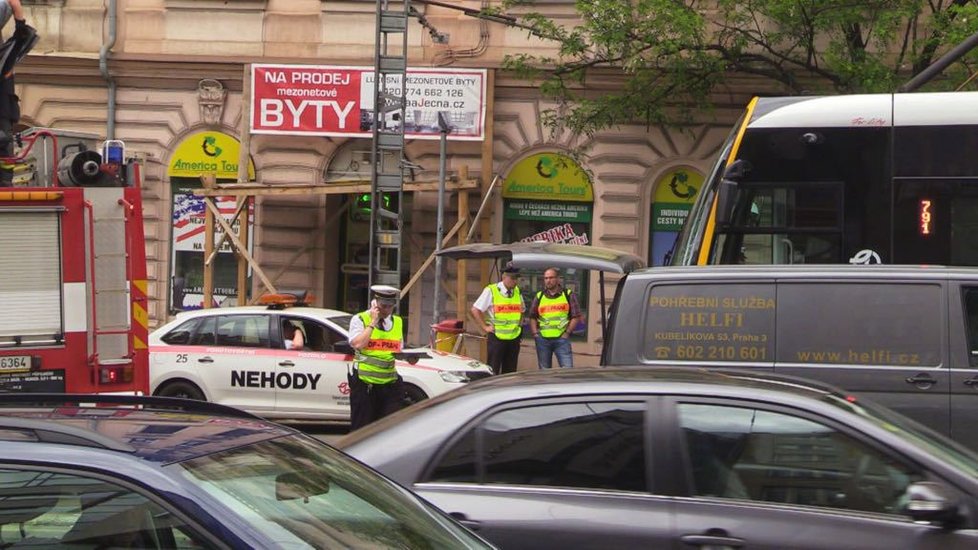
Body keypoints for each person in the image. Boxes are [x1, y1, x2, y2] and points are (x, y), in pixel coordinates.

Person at [347, 285, 406, 430]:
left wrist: (408, 358)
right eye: (383, 306)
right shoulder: (360, 319)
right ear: (375, 304)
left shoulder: (397, 322)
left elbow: (397, 349)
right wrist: (373, 322)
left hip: (389, 384)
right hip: (365, 385)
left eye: (390, 306)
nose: (386, 310)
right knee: (362, 429)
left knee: (388, 429)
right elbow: (358, 344)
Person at [0, 1, 34, 187]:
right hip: (4, 110)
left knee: (4, 144)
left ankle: (5, 183)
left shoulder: (6, 54)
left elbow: (12, 3)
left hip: (4, 109)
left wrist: (19, 20)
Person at [470, 263, 524, 375]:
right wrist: (485, 327)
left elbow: (522, 310)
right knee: (493, 370)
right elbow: (475, 309)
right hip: (497, 337)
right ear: (504, 277)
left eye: (517, 278)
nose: (515, 281)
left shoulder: (517, 291)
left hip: (513, 338)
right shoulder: (492, 290)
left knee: (510, 372)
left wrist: (519, 325)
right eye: (513, 278)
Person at [529, 267, 584, 369]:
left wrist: (567, 333)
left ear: (558, 279)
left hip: (561, 339)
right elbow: (532, 316)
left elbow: (575, 316)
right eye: (546, 278)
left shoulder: (568, 295)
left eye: (551, 278)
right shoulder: (539, 296)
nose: (548, 281)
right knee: (544, 372)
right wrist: (535, 334)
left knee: (567, 370)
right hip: (543, 340)